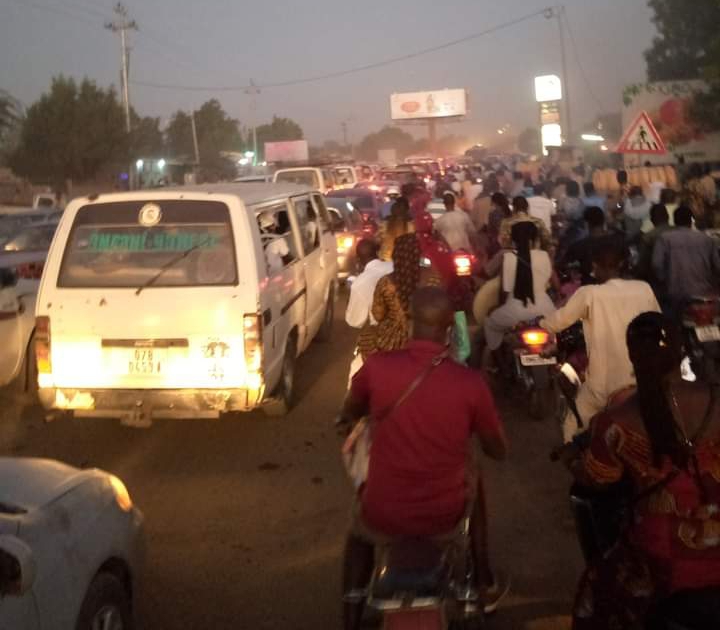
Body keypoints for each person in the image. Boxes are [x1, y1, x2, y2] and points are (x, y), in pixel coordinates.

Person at [340, 287, 509, 630]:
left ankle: (351, 613)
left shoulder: (377, 367)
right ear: (451, 328)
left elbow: (351, 411)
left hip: (383, 512)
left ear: (409, 320)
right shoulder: (470, 383)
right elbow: (497, 450)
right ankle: (481, 584)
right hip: (444, 515)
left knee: (358, 534)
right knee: (474, 484)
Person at [566, 312, 720, 630]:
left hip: (659, 558)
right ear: (681, 351)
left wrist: (574, 461)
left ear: (632, 354)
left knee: (598, 592)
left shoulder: (618, 421)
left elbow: (597, 478)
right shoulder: (715, 398)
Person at [540, 239, 660, 442]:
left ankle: (579, 464)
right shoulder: (644, 289)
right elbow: (657, 321)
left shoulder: (590, 294)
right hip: (643, 380)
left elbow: (557, 322)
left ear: (595, 266)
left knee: (572, 424)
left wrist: (541, 323)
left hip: (604, 388)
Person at [484, 222, 556, 354]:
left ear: (513, 239)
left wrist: (498, 308)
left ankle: (496, 356)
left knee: (490, 324)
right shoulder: (545, 256)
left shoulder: (508, 257)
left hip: (514, 311)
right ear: (535, 239)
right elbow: (554, 285)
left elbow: (504, 293)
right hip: (546, 311)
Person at [360, 233, 421, 359]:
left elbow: (378, 315)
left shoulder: (386, 282)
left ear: (395, 254)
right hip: (425, 336)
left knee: (365, 338)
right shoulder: (434, 278)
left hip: (391, 341)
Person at [652, 205, 720, 315]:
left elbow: (657, 265)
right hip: (704, 292)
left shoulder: (665, 238)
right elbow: (717, 266)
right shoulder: (707, 239)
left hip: (675, 293)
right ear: (691, 220)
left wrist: (665, 280)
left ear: (674, 220)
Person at [561, 206, 618, 286]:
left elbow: (563, 265)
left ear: (587, 224)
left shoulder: (579, 245)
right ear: (603, 221)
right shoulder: (618, 241)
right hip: (615, 287)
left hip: (589, 287)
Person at [637, 204, 672, 290]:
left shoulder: (648, 237)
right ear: (667, 217)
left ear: (652, 219)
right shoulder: (678, 232)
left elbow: (642, 265)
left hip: (657, 284)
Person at [378, 198, 413, 262]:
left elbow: (378, 239)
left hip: (391, 259)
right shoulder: (411, 225)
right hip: (399, 260)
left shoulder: (385, 223)